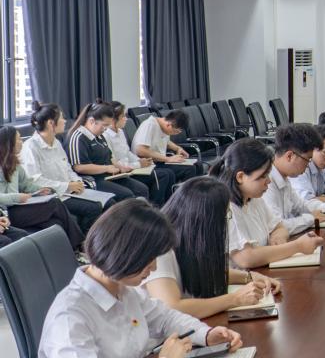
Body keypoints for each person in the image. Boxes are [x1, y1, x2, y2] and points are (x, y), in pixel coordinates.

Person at [39, 200, 243, 358]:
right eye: (149, 259)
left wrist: (206, 335)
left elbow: (165, 317)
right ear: (124, 253)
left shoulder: (124, 290)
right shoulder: (69, 319)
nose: (153, 268)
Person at [143, 177, 281, 320]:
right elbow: (172, 308)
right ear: (205, 220)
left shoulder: (188, 236)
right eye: (225, 216)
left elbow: (203, 272)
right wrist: (235, 299)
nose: (226, 223)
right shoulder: (160, 249)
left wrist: (249, 277)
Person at [209, 138, 323, 269]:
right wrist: (297, 246)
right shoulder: (225, 208)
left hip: (260, 273)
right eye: (263, 176)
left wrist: (277, 237)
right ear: (240, 177)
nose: (268, 181)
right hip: (242, 280)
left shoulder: (255, 199)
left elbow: (279, 227)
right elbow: (246, 258)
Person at [20, 101, 102, 235]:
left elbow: (68, 168)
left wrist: (77, 182)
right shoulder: (30, 147)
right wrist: (67, 186)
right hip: (51, 197)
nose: (65, 121)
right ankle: (85, 243)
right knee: (94, 208)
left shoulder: (56, 143)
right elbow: (35, 181)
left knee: (103, 202)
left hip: (68, 192)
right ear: (51, 123)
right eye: (62, 118)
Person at [1, 127, 84, 249]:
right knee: (54, 203)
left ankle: (72, 251)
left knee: (55, 223)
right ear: (9, 143)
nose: (21, 142)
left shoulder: (15, 165)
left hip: (17, 207)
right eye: (18, 139)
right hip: (7, 213)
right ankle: (80, 245)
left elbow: (26, 185)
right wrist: (17, 197)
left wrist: (40, 190)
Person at [265, 123, 325, 235]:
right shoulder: (266, 183)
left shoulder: (284, 178)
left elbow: (302, 205)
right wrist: (310, 218)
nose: (308, 164)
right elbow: (277, 227)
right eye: (308, 159)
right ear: (290, 156)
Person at [67, 102, 151, 202]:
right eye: (104, 125)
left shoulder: (99, 136)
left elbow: (110, 157)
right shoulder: (79, 137)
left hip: (109, 176)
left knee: (141, 189)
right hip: (93, 179)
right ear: (92, 121)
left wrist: (120, 167)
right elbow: (79, 167)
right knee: (126, 195)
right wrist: (106, 168)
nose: (106, 128)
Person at [104, 101, 175, 205]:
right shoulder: (106, 136)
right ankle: (156, 208)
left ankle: (168, 206)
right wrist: (138, 164)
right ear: (114, 119)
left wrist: (141, 161)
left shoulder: (120, 132)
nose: (126, 119)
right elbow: (115, 162)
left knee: (168, 173)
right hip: (122, 173)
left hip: (132, 168)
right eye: (123, 116)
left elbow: (127, 152)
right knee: (162, 176)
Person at [132, 110, 199, 183]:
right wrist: (168, 159)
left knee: (197, 165)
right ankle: (183, 190)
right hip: (147, 164)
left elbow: (166, 141)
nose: (175, 134)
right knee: (186, 170)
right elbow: (141, 150)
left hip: (159, 161)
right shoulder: (150, 125)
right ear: (168, 125)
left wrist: (178, 148)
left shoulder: (164, 127)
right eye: (176, 131)